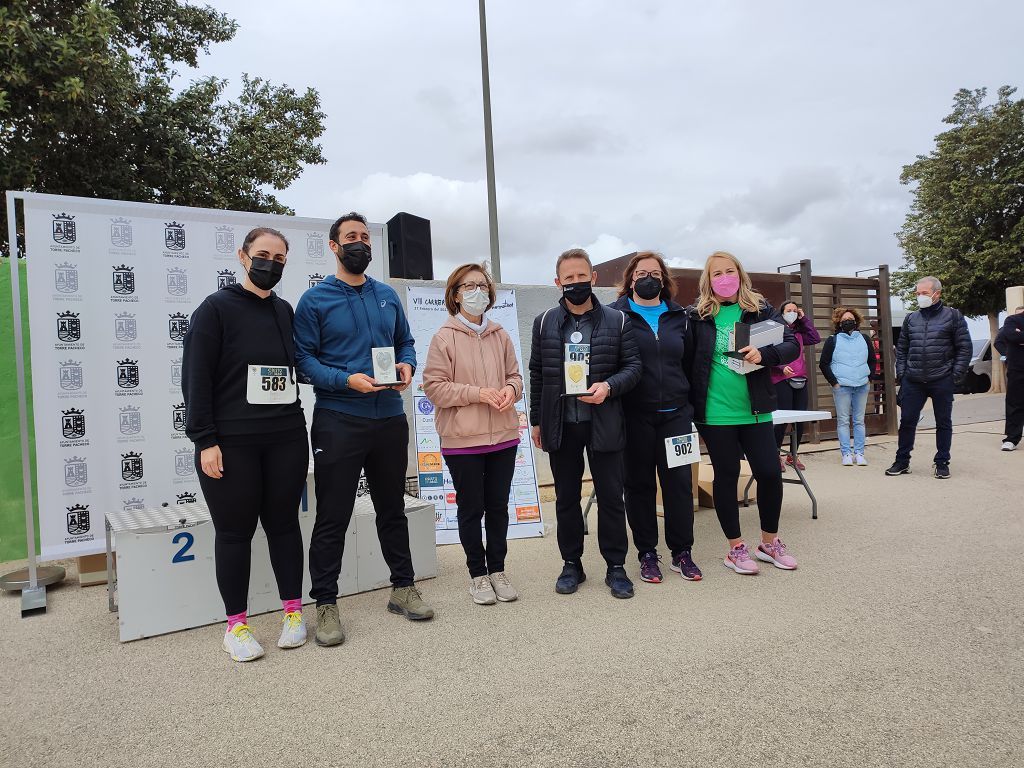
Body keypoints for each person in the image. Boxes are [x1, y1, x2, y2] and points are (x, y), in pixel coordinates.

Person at [293, 211, 432, 648]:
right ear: (334, 247)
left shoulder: (388, 295)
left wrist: (408, 363)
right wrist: (343, 380)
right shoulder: (315, 300)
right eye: (350, 237)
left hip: (389, 416)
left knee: (393, 508)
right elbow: (303, 361)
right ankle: (327, 603)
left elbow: (405, 341)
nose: (359, 244)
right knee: (333, 514)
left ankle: (403, 587)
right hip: (339, 419)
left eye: (364, 238)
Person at [182, 227, 309, 662]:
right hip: (231, 444)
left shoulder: (285, 311)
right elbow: (195, 378)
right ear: (243, 256)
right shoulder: (215, 310)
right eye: (263, 254)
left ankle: (293, 611)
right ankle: (236, 625)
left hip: (286, 436)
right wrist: (205, 440)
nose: (270, 262)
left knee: (285, 526)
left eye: (279, 257)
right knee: (235, 533)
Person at [530, 248, 642, 598]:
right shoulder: (545, 321)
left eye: (582, 276)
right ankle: (571, 564)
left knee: (611, 496)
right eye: (569, 278)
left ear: (593, 278)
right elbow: (537, 374)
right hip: (561, 422)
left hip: (604, 420)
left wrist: (608, 387)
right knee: (565, 497)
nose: (576, 283)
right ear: (557, 282)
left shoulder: (617, 320)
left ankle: (616, 566)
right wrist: (537, 421)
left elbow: (634, 368)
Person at [686, 251, 800, 575]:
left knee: (768, 472)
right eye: (716, 273)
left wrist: (763, 354)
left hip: (755, 409)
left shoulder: (759, 309)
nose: (724, 278)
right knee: (726, 475)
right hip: (715, 411)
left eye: (729, 271)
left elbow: (791, 344)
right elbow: (685, 361)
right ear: (707, 281)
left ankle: (770, 542)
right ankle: (735, 548)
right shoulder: (697, 316)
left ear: (740, 273)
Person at [422, 263, 523, 605]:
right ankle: (477, 575)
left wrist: (511, 389)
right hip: (463, 441)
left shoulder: (501, 335)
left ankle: (498, 569)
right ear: (455, 294)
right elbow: (434, 388)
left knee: (498, 507)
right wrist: (477, 393)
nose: (477, 291)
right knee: (471, 508)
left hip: (503, 437)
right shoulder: (444, 337)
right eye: (469, 286)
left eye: (482, 285)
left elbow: (516, 377)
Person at [608, 251, 702, 584]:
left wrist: (693, 408)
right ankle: (647, 552)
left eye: (656, 273)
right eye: (641, 273)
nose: (649, 278)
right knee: (639, 486)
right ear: (630, 279)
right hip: (634, 416)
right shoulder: (615, 316)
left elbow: (689, 363)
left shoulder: (681, 317)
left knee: (679, 486)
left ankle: (682, 552)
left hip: (677, 414)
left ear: (664, 279)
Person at [886, 276, 971, 479]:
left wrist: (955, 374)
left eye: (924, 293)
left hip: (942, 378)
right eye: (917, 293)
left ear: (937, 294)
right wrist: (902, 374)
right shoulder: (911, 318)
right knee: (907, 421)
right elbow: (902, 348)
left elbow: (964, 348)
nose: (920, 297)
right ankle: (902, 461)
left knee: (943, 422)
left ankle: (942, 462)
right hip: (913, 380)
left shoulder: (953, 316)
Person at [818, 307, 878, 466]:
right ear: (838, 323)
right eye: (844, 320)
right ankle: (846, 453)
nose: (848, 322)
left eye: (850, 319)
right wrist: (834, 382)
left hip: (861, 385)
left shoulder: (865, 339)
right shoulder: (833, 340)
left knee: (859, 420)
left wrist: (869, 378)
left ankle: (859, 453)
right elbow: (824, 363)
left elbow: (872, 360)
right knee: (843, 421)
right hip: (842, 387)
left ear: (856, 321)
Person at [769, 300, 821, 471]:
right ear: (781, 313)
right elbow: (768, 356)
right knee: (782, 420)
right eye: (788, 310)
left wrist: (804, 319)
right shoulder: (775, 333)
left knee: (799, 420)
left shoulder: (799, 334)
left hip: (800, 379)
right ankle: (775, 454)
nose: (791, 313)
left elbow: (815, 338)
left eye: (794, 310)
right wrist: (782, 368)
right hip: (781, 379)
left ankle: (793, 455)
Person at [995, 306, 1024, 451]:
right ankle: (1012, 438)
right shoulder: (1012, 320)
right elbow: (1011, 336)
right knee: (1015, 404)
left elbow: (1018, 337)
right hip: (1017, 369)